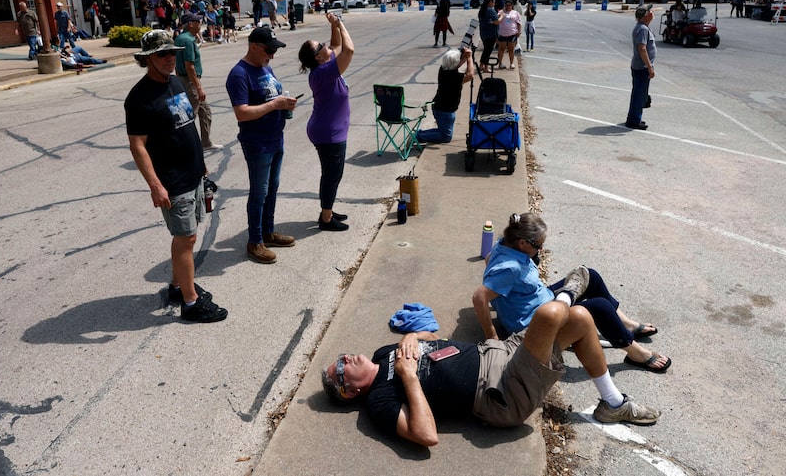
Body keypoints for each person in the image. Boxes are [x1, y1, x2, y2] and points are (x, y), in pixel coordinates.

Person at [322, 292, 660, 447]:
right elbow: (426, 436)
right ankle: (567, 290)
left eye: (341, 355)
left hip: (502, 351)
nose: (346, 357)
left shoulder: (383, 354)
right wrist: (409, 378)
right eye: (340, 367)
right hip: (501, 391)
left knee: (583, 319)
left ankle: (612, 405)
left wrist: (411, 335)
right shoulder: (379, 402)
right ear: (349, 391)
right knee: (548, 315)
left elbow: (433, 338)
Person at [472, 213, 671, 373]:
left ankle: (626, 324)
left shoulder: (503, 243)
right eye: (538, 245)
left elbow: (488, 260)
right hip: (536, 325)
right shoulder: (511, 268)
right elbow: (480, 297)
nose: (540, 249)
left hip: (544, 302)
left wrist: (504, 299)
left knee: (589, 276)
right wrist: (492, 336)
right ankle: (635, 352)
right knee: (599, 307)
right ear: (523, 243)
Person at [124, 30, 228, 323]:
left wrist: (201, 162)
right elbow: (138, 145)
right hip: (172, 179)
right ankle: (191, 303)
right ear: (147, 59)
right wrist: (155, 185)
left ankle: (176, 286)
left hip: (192, 172)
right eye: (162, 54)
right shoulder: (139, 98)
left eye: (172, 53)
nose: (170, 58)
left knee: (186, 237)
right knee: (187, 238)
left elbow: (186, 126)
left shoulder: (176, 82)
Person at [226, 27, 297, 263]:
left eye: (275, 50)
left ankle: (268, 232)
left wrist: (284, 105)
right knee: (259, 192)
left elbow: (271, 97)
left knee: (272, 189)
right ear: (254, 46)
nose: (273, 55)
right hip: (257, 143)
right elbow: (242, 113)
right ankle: (255, 241)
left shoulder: (266, 67)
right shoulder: (239, 74)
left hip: (276, 138)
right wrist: (275, 105)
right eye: (269, 50)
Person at [297, 13, 355, 232]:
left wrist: (333, 25)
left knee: (332, 174)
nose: (325, 45)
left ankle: (327, 208)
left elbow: (337, 44)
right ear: (318, 57)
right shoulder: (322, 73)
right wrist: (341, 23)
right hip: (328, 133)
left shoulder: (325, 64)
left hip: (330, 130)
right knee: (332, 175)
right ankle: (326, 218)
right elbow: (348, 50)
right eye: (320, 45)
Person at [174, 13, 222, 151]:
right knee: (188, 116)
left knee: (205, 112)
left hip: (184, 79)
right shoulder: (188, 41)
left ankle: (205, 143)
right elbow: (189, 66)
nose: (201, 24)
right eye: (198, 22)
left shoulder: (180, 38)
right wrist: (199, 88)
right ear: (191, 24)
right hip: (190, 82)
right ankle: (178, 147)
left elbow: (178, 63)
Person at [416, 47, 474, 144]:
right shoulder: (455, 77)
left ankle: (419, 134)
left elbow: (457, 62)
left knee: (444, 132)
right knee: (445, 136)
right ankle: (418, 136)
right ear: (456, 63)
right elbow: (470, 75)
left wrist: (464, 54)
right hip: (444, 110)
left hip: (441, 107)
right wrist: (469, 58)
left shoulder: (443, 69)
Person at [626, 4, 655, 131]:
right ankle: (634, 120)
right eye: (650, 11)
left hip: (640, 66)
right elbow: (642, 48)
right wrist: (649, 66)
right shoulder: (642, 29)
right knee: (639, 94)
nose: (652, 13)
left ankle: (634, 117)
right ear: (645, 15)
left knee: (639, 93)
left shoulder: (643, 27)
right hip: (641, 67)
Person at [495, 0, 521, 70]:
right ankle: (500, 63)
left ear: (512, 6)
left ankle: (511, 63)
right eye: (507, 5)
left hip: (512, 33)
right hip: (503, 33)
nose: (508, 6)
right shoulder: (501, 12)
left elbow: (518, 23)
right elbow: (497, 20)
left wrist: (519, 31)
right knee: (501, 49)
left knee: (511, 49)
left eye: (509, 5)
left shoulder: (515, 13)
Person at [477, 0, 499, 73]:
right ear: (490, 2)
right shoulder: (490, 11)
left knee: (486, 50)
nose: (494, 4)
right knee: (488, 51)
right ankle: (485, 67)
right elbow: (497, 22)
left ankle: (481, 65)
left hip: (484, 33)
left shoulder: (482, 10)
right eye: (493, 2)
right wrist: (502, 16)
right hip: (491, 33)